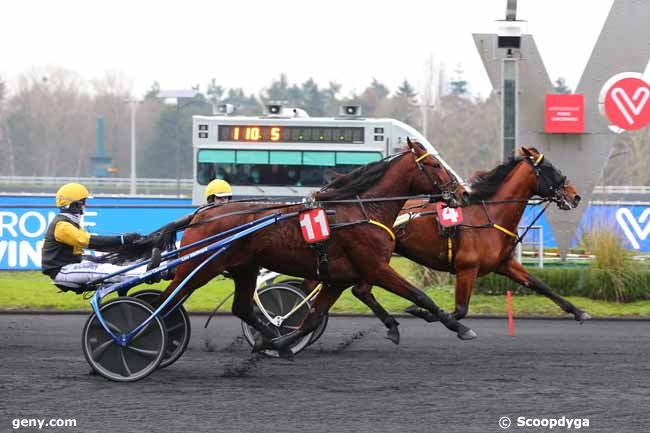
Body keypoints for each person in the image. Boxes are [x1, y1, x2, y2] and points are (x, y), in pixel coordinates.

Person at [41, 183, 144, 289]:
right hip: (63, 270)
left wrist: (126, 244)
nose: (86, 206)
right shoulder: (62, 225)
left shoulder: (69, 222)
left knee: (109, 265)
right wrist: (122, 239)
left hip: (69, 266)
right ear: (75, 205)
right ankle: (146, 271)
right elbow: (90, 241)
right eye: (84, 202)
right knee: (106, 271)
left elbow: (97, 245)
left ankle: (144, 269)